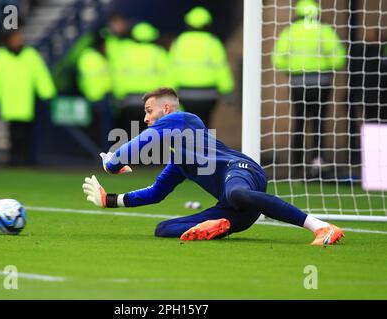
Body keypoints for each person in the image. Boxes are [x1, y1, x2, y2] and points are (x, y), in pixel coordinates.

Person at [82, 87, 344, 246]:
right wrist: (111, 200)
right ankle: (216, 225)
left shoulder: (183, 119)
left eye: (149, 111)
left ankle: (320, 226)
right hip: (238, 212)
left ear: (166, 109)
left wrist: (113, 162)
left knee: (235, 192)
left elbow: (142, 142)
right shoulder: (179, 161)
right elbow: (155, 193)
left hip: (242, 170)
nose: (146, 118)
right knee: (163, 229)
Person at [271, 0, 346, 178]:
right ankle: (317, 161)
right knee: (319, 121)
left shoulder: (290, 31)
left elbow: (277, 58)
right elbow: (339, 57)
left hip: (298, 83)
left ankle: (297, 165)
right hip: (322, 82)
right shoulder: (324, 30)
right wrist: (326, 66)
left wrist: (293, 69)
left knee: (299, 122)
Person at [0, 29, 56, 166]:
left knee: (27, 134)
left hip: (26, 103)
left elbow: (40, 75)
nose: (18, 40)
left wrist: (47, 93)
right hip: (10, 103)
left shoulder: (30, 55)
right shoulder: (0, 56)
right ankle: (14, 158)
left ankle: (26, 159)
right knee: (13, 133)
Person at [169, 6, 235, 128]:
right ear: (208, 24)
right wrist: (227, 91)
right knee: (204, 124)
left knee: (186, 126)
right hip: (208, 95)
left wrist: (169, 93)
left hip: (184, 94)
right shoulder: (213, 42)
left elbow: (171, 69)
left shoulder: (179, 42)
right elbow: (221, 69)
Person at [112, 21, 170, 137]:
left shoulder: (123, 53)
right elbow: (168, 79)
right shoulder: (159, 53)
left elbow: (117, 77)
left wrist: (119, 98)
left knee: (131, 135)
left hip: (129, 102)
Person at [347, 28, 387, 167]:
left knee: (373, 128)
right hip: (374, 99)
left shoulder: (363, 53)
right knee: (373, 128)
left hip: (371, 98)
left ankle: (373, 164)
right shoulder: (369, 53)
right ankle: (372, 164)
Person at [77, 30, 113, 151]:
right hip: (94, 100)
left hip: (99, 99)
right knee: (97, 134)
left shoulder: (90, 56)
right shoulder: (91, 57)